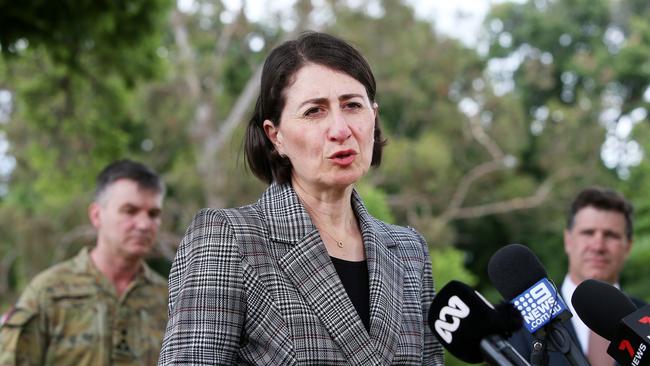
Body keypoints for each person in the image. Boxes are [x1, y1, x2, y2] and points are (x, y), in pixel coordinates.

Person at [158, 31, 444, 365]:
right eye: (314, 112)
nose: (340, 129)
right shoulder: (230, 238)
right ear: (275, 135)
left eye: (353, 106)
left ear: (373, 116)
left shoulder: (409, 251)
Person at [0, 160, 168, 365]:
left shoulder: (169, 302)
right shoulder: (49, 292)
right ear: (96, 215)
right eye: (129, 211)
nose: (144, 224)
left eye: (153, 214)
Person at [509, 187, 645, 366]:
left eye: (611, 235)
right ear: (568, 240)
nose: (598, 246)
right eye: (588, 232)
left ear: (627, 246)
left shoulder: (645, 320)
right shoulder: (520, 322)